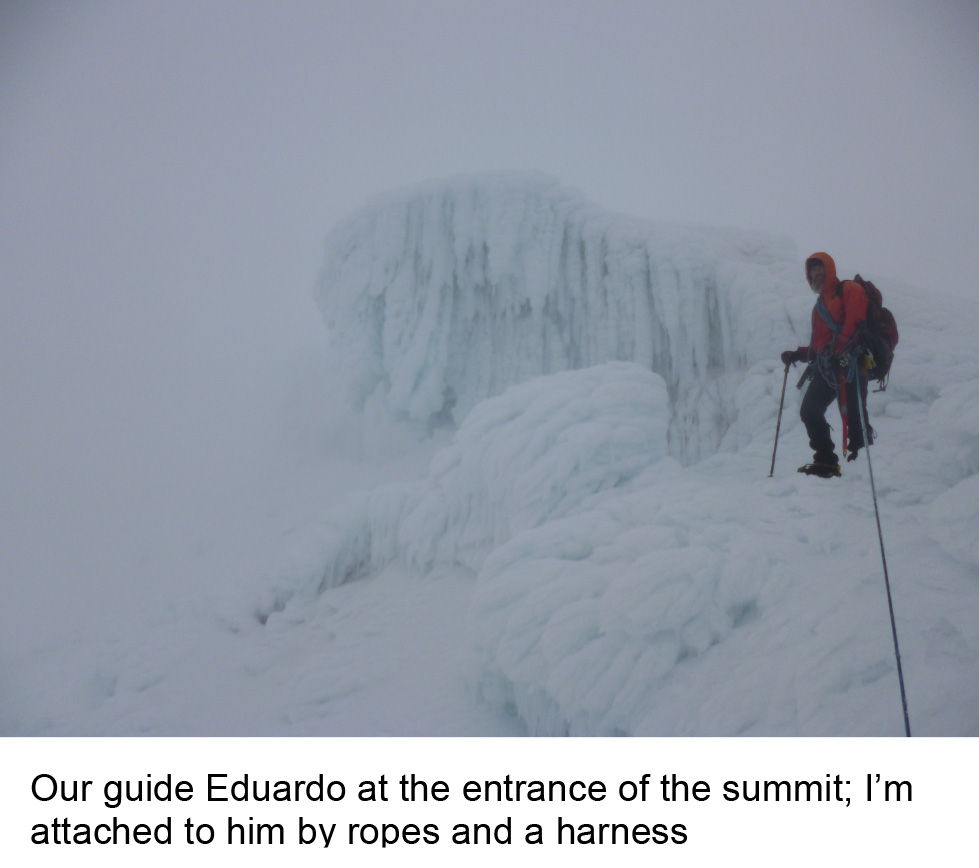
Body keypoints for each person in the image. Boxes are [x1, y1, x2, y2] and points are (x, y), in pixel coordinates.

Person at [781, 252, 873, 478]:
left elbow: (856, 323)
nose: (816, 274)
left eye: (820, 269)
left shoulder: (850, 290)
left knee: (856, 416)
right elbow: (818, 345)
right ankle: (826, 460)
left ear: (830, 269)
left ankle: (861, 460)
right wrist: (799, 354)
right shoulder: (819, 306)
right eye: (812, 271)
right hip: (828, 367)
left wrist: (838, 349)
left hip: (851, 363)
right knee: (809, 410)